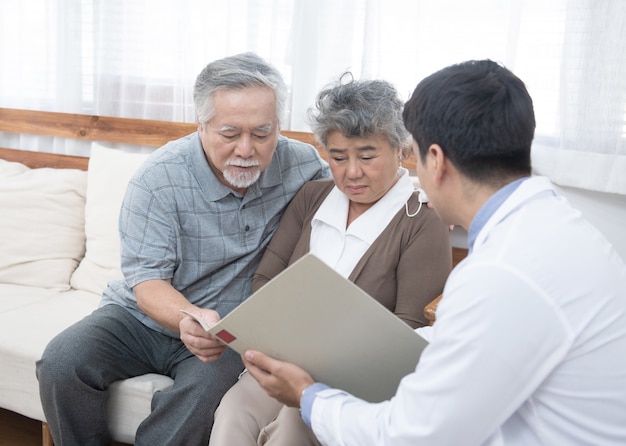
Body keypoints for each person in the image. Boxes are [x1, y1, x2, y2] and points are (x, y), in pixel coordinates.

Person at [242, 60, 626, 445]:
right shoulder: (560, 229)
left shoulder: (499, 273)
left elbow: (410, 436)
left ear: (436, 161)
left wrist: (309, 397)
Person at [35, 52, 331, 445]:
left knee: (206, 393)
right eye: (230, 133)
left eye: (262, 133)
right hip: (141, 319)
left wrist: (412, 198)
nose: (247, 149)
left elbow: (352, 193)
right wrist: (189, 316)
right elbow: (147, 283)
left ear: (279, 126)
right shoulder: (158, 179)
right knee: (61, 362)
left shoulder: (301, 165)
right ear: (201, 125)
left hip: (226, 331)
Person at [208, 76, 452, 446]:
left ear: (401, 150)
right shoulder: (312, 196)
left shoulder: (421, 218)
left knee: (292, 426)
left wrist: (327, 365)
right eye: (338, 157)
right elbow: (265, 282)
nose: (352, 172)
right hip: (283, 359)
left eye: (367, 156)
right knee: (232, 412)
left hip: (354, 384)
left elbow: (409, 331)